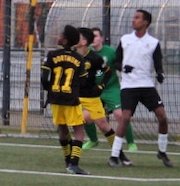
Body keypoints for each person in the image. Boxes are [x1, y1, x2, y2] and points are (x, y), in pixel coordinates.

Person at [108, 9, 173, 168]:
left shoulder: (153, 43)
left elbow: (158, 65)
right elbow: (116, 62)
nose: (133, 20)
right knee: (125, 118)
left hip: (146, 86)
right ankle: (114, 156)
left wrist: (160, 74)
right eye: (133, 17)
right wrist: (123, 68)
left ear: (145, 22)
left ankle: (162, 151)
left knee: (162, 117)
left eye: (137, 18)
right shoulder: (125, 40)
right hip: (129, 86)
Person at [41, 25, 88, 175]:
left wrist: (49, 89)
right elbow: (84, 81)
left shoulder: (52, 55)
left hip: (55, 98)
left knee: (62, 128)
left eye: (61, 34)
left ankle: (68, 160)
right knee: (79, 131)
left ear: (65, 40)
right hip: (71, 98)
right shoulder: (79, 58)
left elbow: (44, 78)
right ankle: (74, 163)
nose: (58, 36)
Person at [89, 27, 137, 152]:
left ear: (101, 38)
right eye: (91, 36)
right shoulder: (87, 52)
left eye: (95, 36)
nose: (92, 39)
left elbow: (119, 63)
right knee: (86, 117)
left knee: (120, 115)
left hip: (111, 88)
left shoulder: (110, 52)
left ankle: (131, 143)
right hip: (94, 90)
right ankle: (93, 140)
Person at [74, 27, 117, 151]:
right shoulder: (71, 56)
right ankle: (73, 156)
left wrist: (101, 85)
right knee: (76, 123)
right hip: (75, 96)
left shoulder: (94, 58)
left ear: (84, 42)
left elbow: (108, 72)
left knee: (103, 125)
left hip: (91, 97)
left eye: (78, 37)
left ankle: (118, 153)